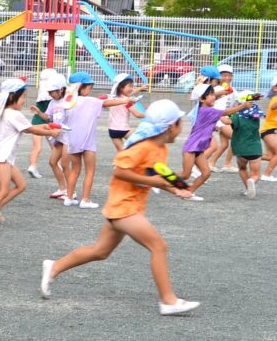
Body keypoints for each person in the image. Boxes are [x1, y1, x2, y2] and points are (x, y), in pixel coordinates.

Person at [39, 100, 200, 316]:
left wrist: (176, 190)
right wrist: (159, 184)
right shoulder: (144, 146)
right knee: (158, 247)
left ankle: (55, 267)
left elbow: (153, 176)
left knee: (100, 251)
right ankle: (168, 300)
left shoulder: (159, 149)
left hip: (127, 206)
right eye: (180, 124)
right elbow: (119, 171)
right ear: (171, 126)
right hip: (124, 207)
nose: (181, 129)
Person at [0, 79, 57, 228]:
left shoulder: (7, 112)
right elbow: (30, 129)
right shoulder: (13, 114)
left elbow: (29, 127)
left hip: (4, 157)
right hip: (3, 157)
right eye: (23, 96)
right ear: (12, 97)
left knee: (21, 185)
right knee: (4, 189)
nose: (24, 100)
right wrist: (51, 132)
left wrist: (47, 126)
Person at [60, 72, 134, 210]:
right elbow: (107, 103)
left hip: (73, 141)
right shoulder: (90, 101)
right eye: (89, 87)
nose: (90, 90)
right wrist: (127, 100)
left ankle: (69, 198)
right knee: (90, 171)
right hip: (88, 142)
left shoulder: (67, 103)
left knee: (75, 170)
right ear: (81, 87)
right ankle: (85, 200)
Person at [179, 83, 251, 201]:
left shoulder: (204, 109)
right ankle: (158, 178)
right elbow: (226, 112)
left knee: (206, 173)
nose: (214, 97)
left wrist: (213, 127)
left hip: (198, 149)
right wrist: (243, 106)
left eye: (213, 94)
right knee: (185, 175)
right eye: (211, 95)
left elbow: (203, 125)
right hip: (191, 148)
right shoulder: (206, 110)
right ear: (202, 99)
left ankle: (189, 192)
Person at [29, 73, 69, 201]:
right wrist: (38, 112)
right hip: (58, 138)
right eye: (50, 92)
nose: (51, 94)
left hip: (68, 137)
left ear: (62, 89)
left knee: (65, 164)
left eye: (53, 92)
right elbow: (48, 117)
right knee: (52, 162)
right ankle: (63, 189)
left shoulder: (69, 101)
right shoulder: (52, 102)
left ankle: (70, 192)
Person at [228, 92, 263, 199]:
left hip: (240, 148)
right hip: (254, 148)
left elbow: (226, 121)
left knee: (242, 168)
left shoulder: (236, 116)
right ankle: (252, 181)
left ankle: (248, 189)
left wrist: (218, 115)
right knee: (256, 173)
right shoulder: (256, 115)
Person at [27, 68, 61, 179]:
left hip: (36, 121)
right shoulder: (53, 95)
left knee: (37, 147)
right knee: (55, 147)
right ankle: (59, 166)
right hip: (48, 123)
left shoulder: (41, 93)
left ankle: (32, 166)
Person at [209, 64, 238, 171]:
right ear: (218, 77)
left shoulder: (232, 90)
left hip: (226, 119)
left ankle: (211, 163)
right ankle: (227, 164)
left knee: (225, 144)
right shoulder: (216, 89)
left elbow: (238, 102)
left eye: (229, 75)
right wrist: (220, 118)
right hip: (219, 119)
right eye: (224, 75)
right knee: (237, 138)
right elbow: (211, 104)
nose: (227, 78)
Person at [107, 73, 145, 151]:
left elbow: (130, 93)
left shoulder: (113, 98)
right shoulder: (127, 101)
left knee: (121, 152)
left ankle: (119, 163)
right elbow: (137, 114)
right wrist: (151, 114)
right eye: (130, 86)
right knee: (141, 142)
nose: (132, 88)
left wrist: (141, 88)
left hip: (112, 131)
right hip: (123, 130)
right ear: (121, 87)